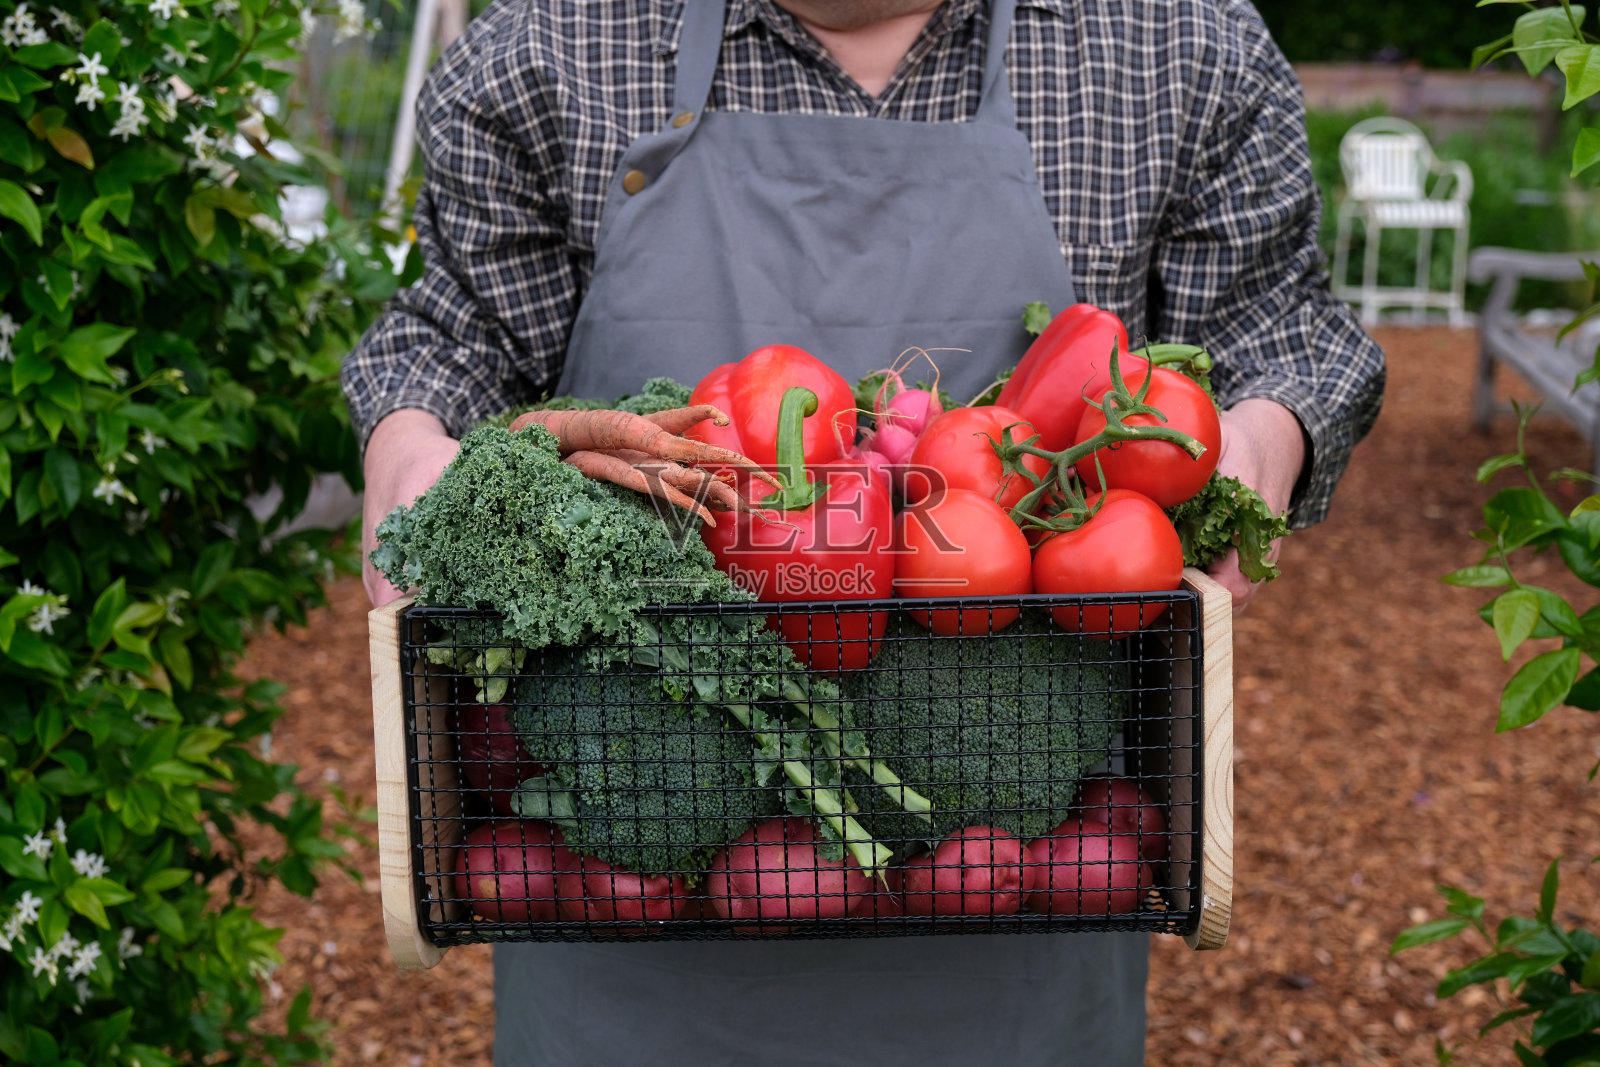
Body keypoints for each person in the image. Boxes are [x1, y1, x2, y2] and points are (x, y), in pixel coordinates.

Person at [343, 0, 1384, 1062]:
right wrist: (410, 443)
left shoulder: (1177, 43)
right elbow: (455, 325)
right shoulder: (545, 44)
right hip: (631, 920)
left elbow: (1278, 326)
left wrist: (1254, 446)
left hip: (1024, 907)